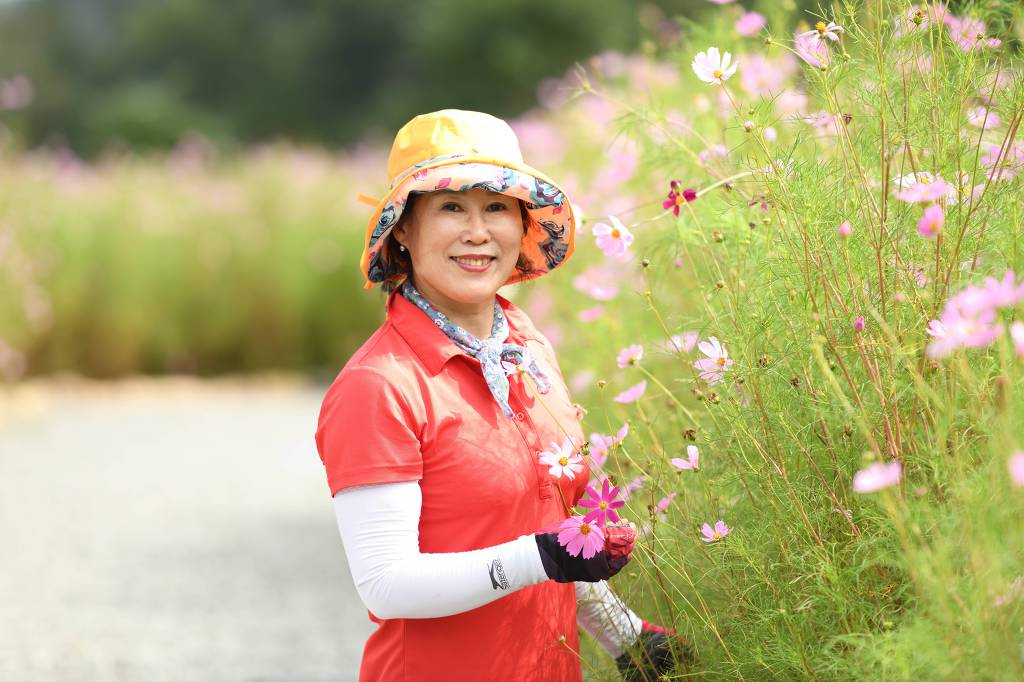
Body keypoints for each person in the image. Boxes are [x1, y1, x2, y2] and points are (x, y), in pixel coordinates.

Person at [315, 109, 685, 681]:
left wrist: (626, 637)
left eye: (496, 207)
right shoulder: (379, 386)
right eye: (451, 207)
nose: (477, 232)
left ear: (522, 224)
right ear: (404, 230)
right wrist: (537, 557)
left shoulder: (527, 347)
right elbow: (387, 584)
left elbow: (552, 533)